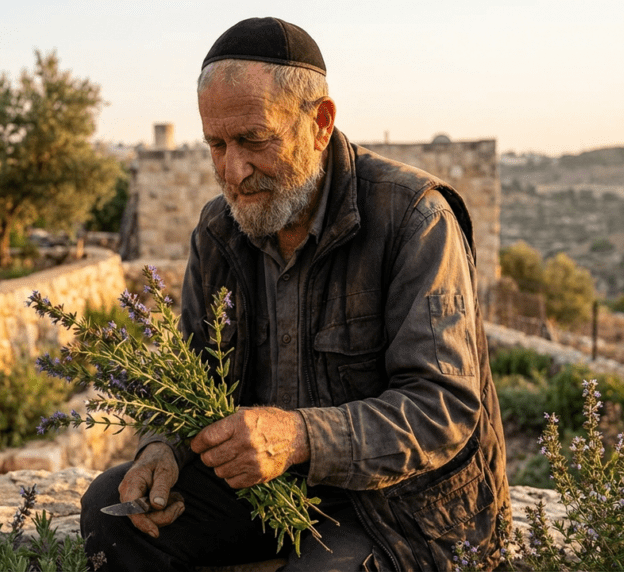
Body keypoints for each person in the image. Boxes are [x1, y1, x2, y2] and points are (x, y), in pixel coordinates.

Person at [81, 17, 509, 571]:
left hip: (398, 507)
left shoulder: (415, 218)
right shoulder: (219, 231)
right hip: (267, 493)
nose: (233, 171)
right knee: (110, 509)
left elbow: (442, 409)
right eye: (217, 144)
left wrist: (301, 436)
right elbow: (184, 378)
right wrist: (160, 446)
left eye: (255, 140)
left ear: (321, 122)